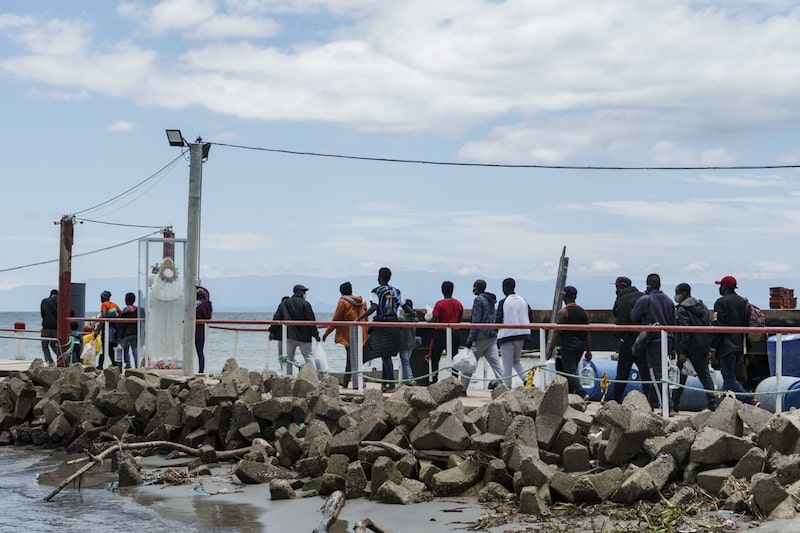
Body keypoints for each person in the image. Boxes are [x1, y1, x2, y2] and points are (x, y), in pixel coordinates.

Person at [358, 267, 415, 393]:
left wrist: (360, 318)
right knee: (386, 355)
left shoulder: (375, 291)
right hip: (394, 325)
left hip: (382, 325)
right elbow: (405, 307)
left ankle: (391, 385)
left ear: (380, 277)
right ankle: (384, 384)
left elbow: (374, 307)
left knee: (383, 354)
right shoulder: (397, 291)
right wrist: (414, 313)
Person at [711, 275, 760, 407]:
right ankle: (723, 407)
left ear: (725, 287)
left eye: (720, 286)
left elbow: (718, 327)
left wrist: (713, 348)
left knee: (729, 379)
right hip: (740, 345)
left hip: (727, 347)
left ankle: (751, 401)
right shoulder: (743, 302)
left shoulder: (720, 302)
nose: (719, 289)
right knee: (728, 381)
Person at [630, 273, 676, 410]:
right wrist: (674, 347)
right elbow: (674, 324)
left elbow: (633, 316)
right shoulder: (669, 300)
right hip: (668, 339)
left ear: (648, 285)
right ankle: (653, 403)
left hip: (654, 340)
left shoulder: (646, 299)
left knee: (655, 374)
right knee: (660, 371)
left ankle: (667, 406)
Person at [673, 283, 717, 412]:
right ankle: (712, 403)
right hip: (702, 346)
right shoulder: (702, 307)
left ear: (684, 293)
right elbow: (707, 327)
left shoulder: (682, 309)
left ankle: (674, 405)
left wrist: (682, 351)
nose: (676, 296)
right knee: (705, 375)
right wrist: (708, 347)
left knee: (680, 377)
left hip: (689, 349)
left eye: (677, 292)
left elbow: (685, 331)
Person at [546, 286, 593, 401]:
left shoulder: (563, 312)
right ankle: (570, 394)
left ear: (565, 297)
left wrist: (550, 350)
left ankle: (582, 394)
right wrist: (588, 350)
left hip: (568, 346)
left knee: (570, 371)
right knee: (569, 369)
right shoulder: (584, 312)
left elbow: (557, 333)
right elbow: (587, 333)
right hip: (580, 347)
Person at [611, 276, 649, 403]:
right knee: (645, 373)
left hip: (627, 341)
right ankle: (651, 401)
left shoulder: (621, 300)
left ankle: (615, 401)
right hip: (643, 340)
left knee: (622, 373)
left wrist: (618, 335)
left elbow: (620, 321)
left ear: (621, 286)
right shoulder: (642, 297)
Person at [322, 282, 367, 389]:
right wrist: (367, 332)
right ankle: (355, 381)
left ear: (341, 292)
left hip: (349, 335)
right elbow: (366, 318)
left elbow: (335, 320)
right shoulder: (362, 302)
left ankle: (348, 382)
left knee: (350, 359)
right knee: (356, 358)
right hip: (361, 334)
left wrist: (326, 333)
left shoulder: (343, 302)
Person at [463, 279, 504, 393]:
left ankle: (462, 388)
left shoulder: (478, 300)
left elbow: (476, 321)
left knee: (469, 364)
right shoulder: (491, 300)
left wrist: (470, 339)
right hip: (491, 336)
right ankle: (505, 386)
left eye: (474, 287)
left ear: (478, 288)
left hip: (480, 338)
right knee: (496, 364)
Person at [273, 285, 320, 374]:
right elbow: (311, 320)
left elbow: (277, 317)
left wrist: (272, 331)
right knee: (308, 356)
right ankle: (314, 377)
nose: (305, 294)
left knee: (289, 358)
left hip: (289, 335)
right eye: (304, 292)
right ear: (300, 292)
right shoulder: (305, 303)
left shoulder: (285, 303)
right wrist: (316, 335)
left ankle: (288, 378)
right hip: (305, 337)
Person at [496, 278, 532, 388]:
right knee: (516, 361)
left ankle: (507, 388)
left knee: (507, 364)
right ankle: (526, 379)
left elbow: (498, 320)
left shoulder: (503, 302)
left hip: (507, 335)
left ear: (504, 288)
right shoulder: (523, 300)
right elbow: (531, 316)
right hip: (522, 334)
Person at [425, 281, 464, 384]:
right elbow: (459, 318)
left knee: (435, 357)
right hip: (455, 332)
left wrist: (427, 322)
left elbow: (435, 318)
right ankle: (455, 381)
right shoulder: (459, 304)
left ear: (442, 290)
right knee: (454, 358)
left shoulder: (439, 304)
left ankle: (434, 380)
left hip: (441, 333)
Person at [95, 290, 122, 370]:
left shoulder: (104, 305)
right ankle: (113, 365)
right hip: (113, 329)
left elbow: (103, 317)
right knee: (109, 348)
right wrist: (115, 320)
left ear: (103, 298)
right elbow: (121, 313)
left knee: (105, 347)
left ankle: (103, 365)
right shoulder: (114, 304)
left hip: (106, 330)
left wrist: (97, 329)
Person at [397, 299, 418, 386]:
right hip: (412, 342)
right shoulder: (415, 319)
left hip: (404, 343)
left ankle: (409, 380)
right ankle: (408, 379)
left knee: (405, 362)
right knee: (407, 362)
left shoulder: (401, 319)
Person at [117, 292, 139, 369]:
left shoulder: (126, 310)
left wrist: (119, 335)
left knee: (125, 350)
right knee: (135, 350)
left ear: (127, 300)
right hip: (136, 333)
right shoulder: (138, 310)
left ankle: (128, 363)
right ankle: (137, 366)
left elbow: (122, 324)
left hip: (126, 334)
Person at [195, 286, 213, 373]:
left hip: (192, 331)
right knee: (200, 353)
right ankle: (201, 371)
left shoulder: (193, 306)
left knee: (187, 352)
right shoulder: (207, 305)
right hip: (202, 332)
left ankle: (187, 368)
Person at [40, 289, 58, 366]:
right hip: (56, 328)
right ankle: (62, 358)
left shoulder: (45, 301)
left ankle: (50, 361)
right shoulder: (60, 302)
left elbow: (42, 313)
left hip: (46, 327)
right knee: (54, 345)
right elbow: (71, 312)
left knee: (45, 345)